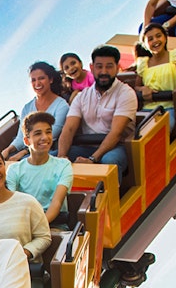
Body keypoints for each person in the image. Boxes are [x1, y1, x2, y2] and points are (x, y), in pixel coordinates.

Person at [57, 45, 138, 186]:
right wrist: (61, 158)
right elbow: (69, 128)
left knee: (108, 161)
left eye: (109, 67)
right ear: (92, 68)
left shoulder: (126, 93)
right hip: (87, 146)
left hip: (116, 147)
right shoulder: (81, 97)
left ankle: (112, 199)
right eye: (99, 67)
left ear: (117, 68)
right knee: (51, 158)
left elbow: (116, 133)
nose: (104, 72)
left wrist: (93, 159)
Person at [6, 112, 74, 227]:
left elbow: (56, 203)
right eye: (38, 133)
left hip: (54, 225)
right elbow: (10, 204)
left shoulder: (63, 166)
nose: (45, 137)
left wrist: (37, 227)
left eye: (48, 132)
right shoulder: (14, 169)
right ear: (26, 141)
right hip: (23, 225)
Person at [5, 62, 70, 162]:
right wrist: (8, 150)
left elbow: (50, 136)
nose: (37, 83)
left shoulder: (61, 105)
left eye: (41, 78)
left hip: (50, 149)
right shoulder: (27, 107)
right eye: (33, 80)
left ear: (51, 79)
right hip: (31, 148)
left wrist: (23, 152)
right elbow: (21, 137)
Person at [133, 23, 176, 132]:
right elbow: (137, 86)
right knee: (136, 131)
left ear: (165, 38)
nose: (155, 40)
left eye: (158, 36)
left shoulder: (175, 56)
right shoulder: (143, 63)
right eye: (150, 39)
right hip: (148, 109)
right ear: (144, 44)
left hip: (169, 107)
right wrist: (144, 89)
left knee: (162, 129)